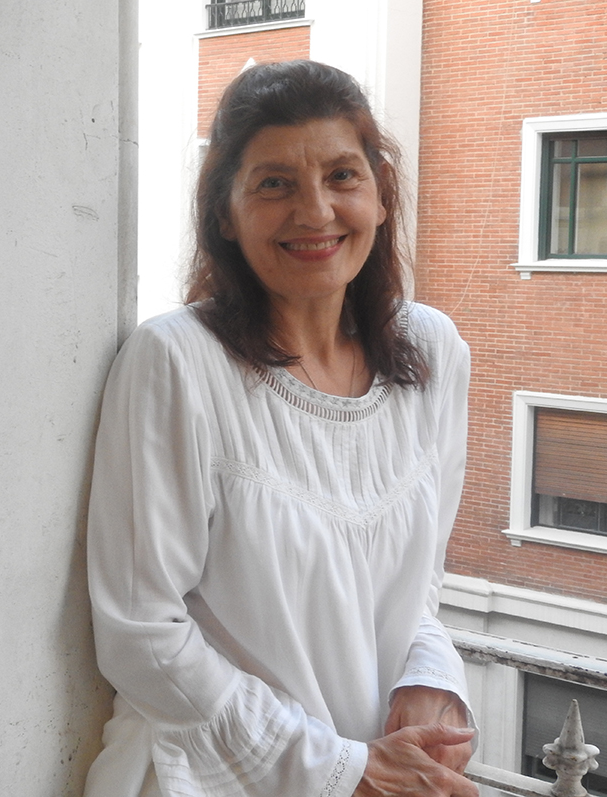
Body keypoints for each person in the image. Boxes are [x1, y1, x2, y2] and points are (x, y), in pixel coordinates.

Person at [83, 60, 478, 797]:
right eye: (273, 184)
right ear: (223, 215)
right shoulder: (176, 362)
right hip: (209, 777)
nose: (315, 211)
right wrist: (340, 768)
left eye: (341, 175)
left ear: (381, 193)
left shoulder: (433, 352)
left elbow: (416, 586)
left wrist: (430, 678)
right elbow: (142, 632)